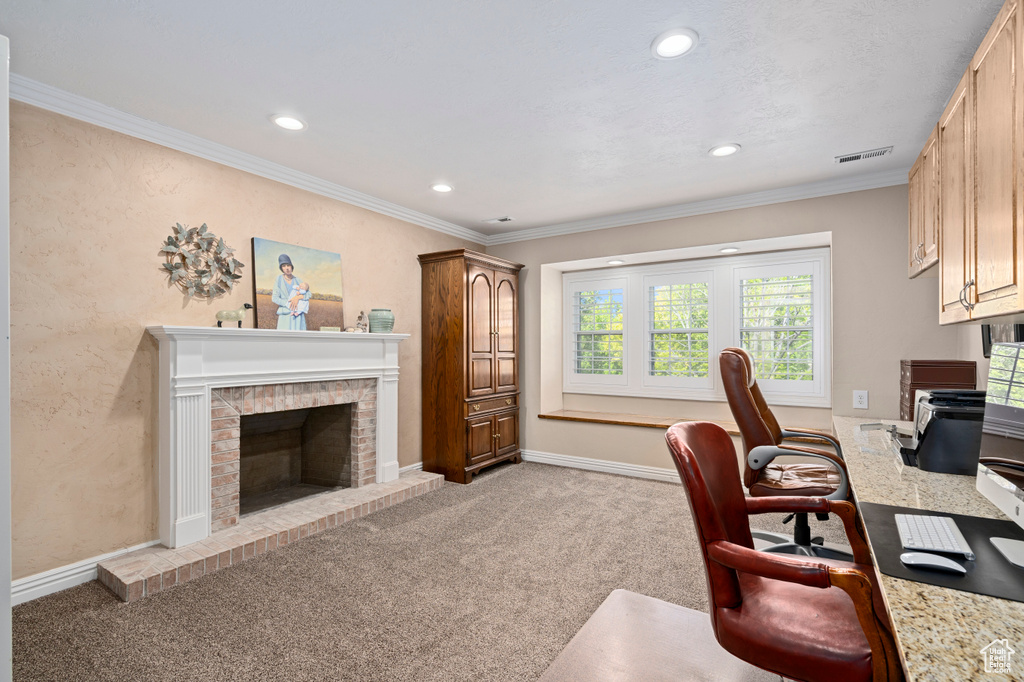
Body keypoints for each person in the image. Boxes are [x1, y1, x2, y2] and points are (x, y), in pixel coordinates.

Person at [271, 253, 312, 330]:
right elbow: (274, 298)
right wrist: (289, 303)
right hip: (285, 316)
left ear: (292, 266)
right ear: (281, 268)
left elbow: (309, 294)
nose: (287, 268)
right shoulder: (279, 280)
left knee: (300, 340)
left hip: (298, 316)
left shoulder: (298, 280)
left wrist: (299, 297)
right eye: (283, 266)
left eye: (288, 265)